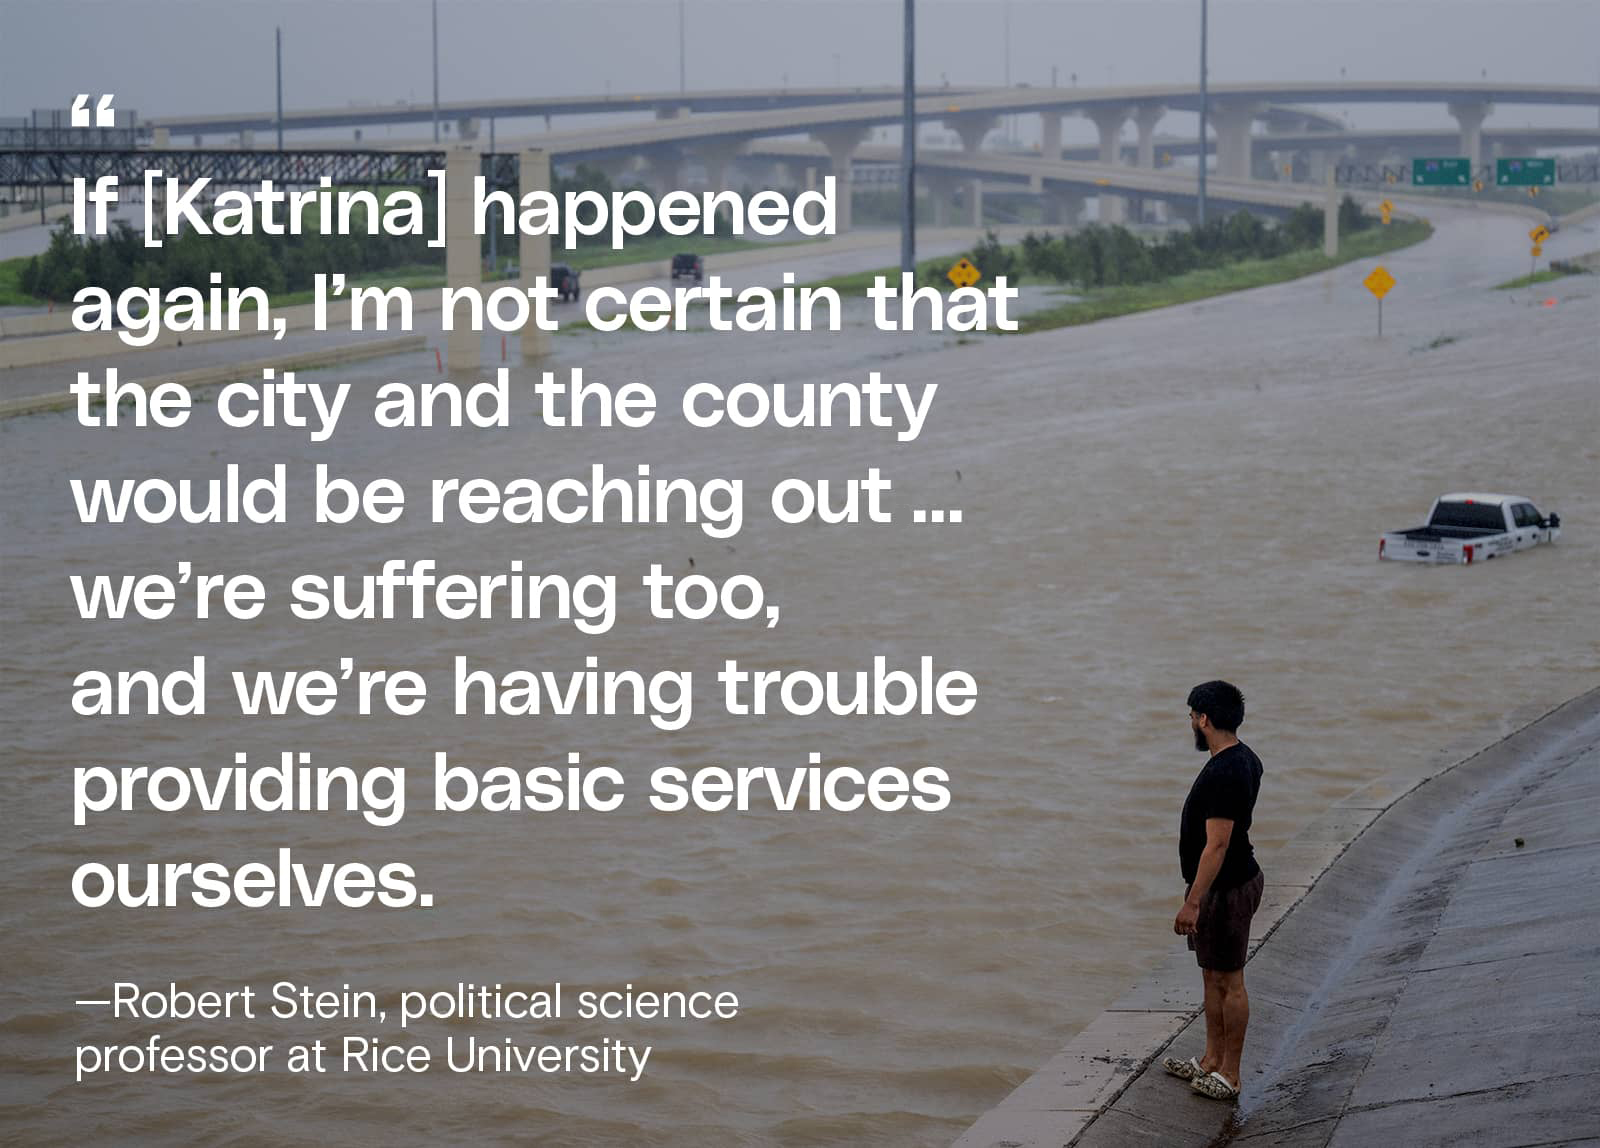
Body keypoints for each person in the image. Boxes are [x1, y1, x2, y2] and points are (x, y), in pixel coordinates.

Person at [1160, 680, 1265, 1103]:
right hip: (1223, 885)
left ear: (1203, 718)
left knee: (1229, 979)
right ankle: (1210, 1061)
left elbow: (1218, 844)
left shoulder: (1226, 771)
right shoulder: (1242, 758)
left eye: (1191, 716)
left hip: (1227, 887)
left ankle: (1231, 1074)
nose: (1190, 723)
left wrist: (1193, 900)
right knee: (1211, 974)